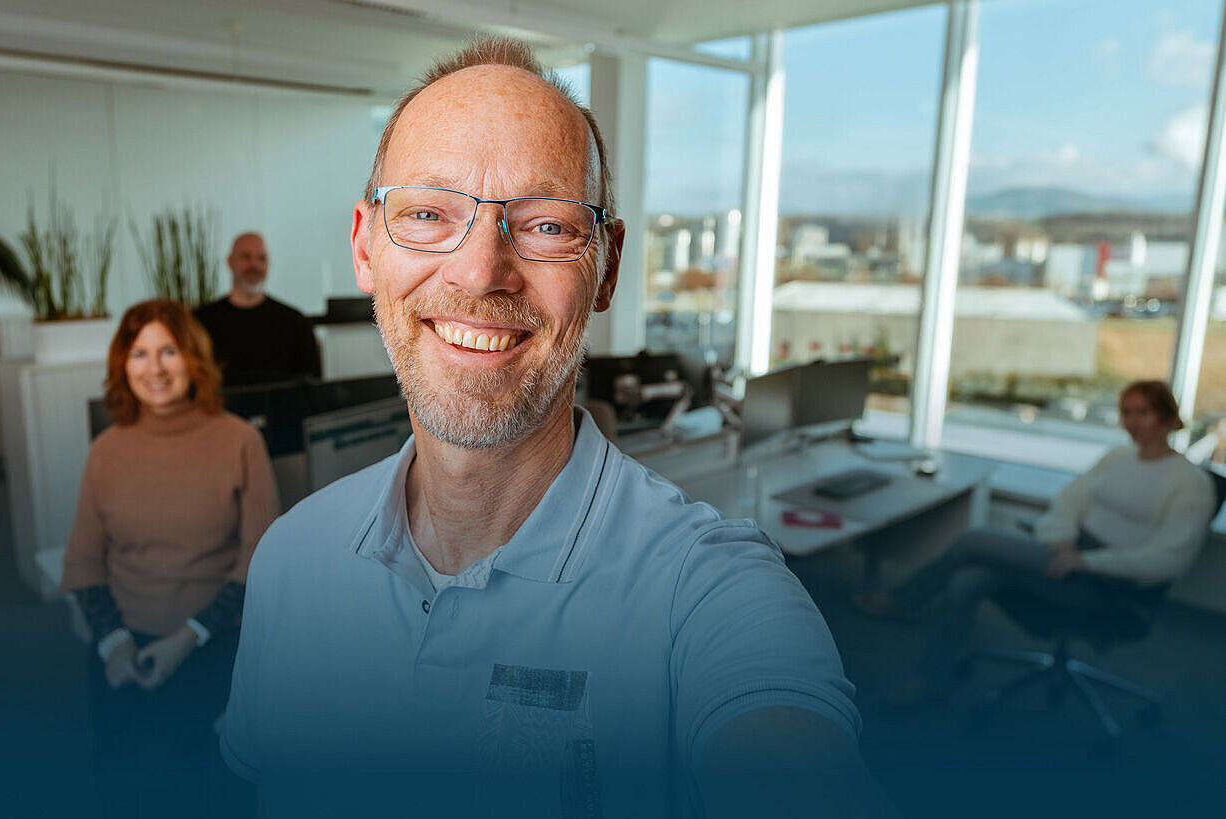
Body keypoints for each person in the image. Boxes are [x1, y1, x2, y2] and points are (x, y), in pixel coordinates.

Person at [221, 38, 891, 818]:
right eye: (428, 213)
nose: (478, 273)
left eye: (544, 226)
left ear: (604, 267)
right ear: (366, 247)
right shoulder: (289, 559)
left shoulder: (706, 590)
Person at [853, 379, 1216, 704]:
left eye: (1144, 412)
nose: (1132, 422)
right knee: (968, 578)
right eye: (1126, 412)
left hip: (1112, 584)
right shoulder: (1118, 457)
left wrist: (1086, 563)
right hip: (1070, 554)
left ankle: (903, 601)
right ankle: (931, 680)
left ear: (1169, 418)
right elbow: (1070, 500)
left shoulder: (1190, 484)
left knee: (974, 540)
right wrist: (1062, 542)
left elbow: (1167, 561)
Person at [61, 299, 278, 815]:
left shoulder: (240, 441)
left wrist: (187, 637)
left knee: (196, 780)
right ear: (122, 366)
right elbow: (85, 562)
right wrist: (113, 644)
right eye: (139, 354)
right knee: (122, 778)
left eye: (168, 352)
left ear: (193, 360)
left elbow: (259, 563)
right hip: (125, 641)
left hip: (215, 639)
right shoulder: (106, 450)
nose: (154, 369)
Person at [194, 232, 322, 387]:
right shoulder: (200, 322)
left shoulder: (295, 323)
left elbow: (312, 387)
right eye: (245, 257)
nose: (254, 265)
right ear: (230, 262)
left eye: (261, 258)